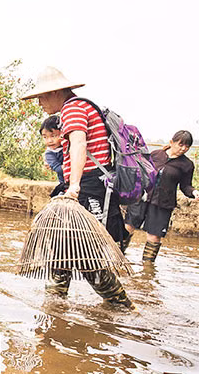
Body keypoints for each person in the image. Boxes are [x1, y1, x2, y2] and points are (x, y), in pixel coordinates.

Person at [21, 67, 132, 307]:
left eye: (41, 97)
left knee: (86, 252)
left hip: (89, 185)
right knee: (62, 244)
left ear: (55, 92)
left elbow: (79, 144)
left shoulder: (73, 109)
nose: (39, 103)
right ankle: (54, 305)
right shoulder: (80, 106)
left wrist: (73, 187)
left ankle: (120, 305)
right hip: (89, 183)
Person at [124, 130, 198, 262]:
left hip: (163, 203)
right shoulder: (156, 154)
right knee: (128, 227)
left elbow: (185, 186)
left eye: (187, 146)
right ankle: (117, 257)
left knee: (154, 237)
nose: (183, 149)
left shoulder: (187, 165)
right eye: (181, 144)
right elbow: (140, 171)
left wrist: (193, 192)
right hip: (142, 197)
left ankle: (147, 271)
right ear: (171, 142)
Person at [40, 115, 66, 196]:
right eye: (45, 137)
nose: (49, 140)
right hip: (65, 184)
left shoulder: (67, 146)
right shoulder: (49, 153)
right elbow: (58, 169)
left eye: (53, 136)